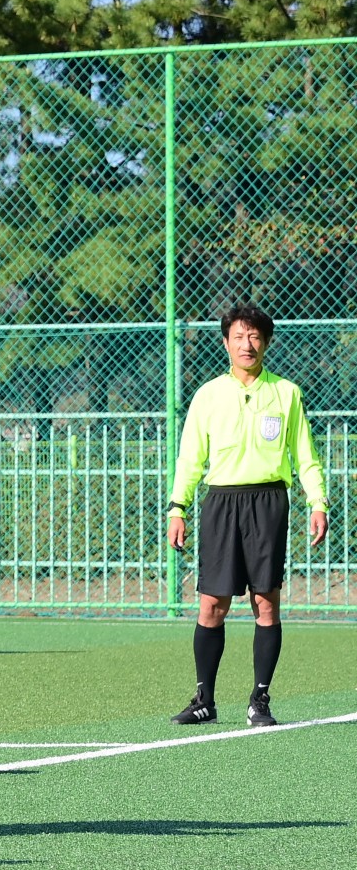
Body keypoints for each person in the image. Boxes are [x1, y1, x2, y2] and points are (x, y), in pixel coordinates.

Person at [166, 304, 329, 728]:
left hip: (268, 501)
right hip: (221, 503)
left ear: (266, 342)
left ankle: (260, 699)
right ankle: (204, 699)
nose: (247, 344)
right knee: (211, 605)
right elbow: (189, 458)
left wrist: (318, 502)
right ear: (226, 343)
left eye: (255, 336)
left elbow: (306, 457)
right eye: (239, 336)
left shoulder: (286, 394)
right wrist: (178, 507)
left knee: (266, 602)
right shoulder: (208, 395)